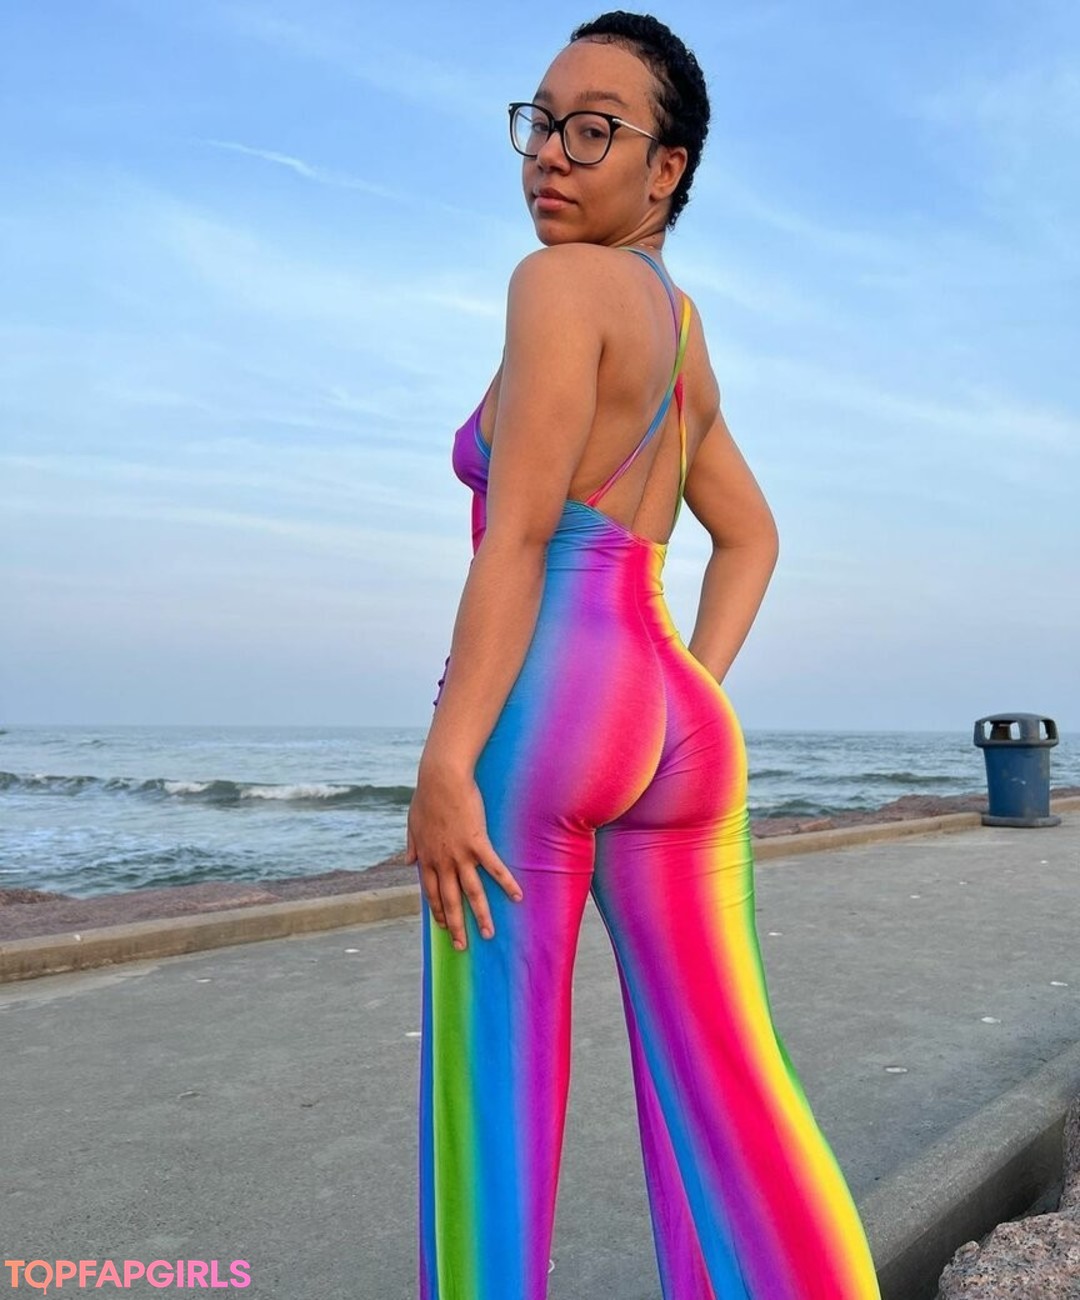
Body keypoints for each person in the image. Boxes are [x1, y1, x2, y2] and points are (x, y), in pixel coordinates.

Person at [405, 11, 882, 1298]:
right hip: (672, 713)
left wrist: (446, 761)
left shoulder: (554, 284)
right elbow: (752, 536)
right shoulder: (680, 331)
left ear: (666, 168)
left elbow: (518, 538)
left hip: (548, 705)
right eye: (540, 121)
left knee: (493, 1096)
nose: (550, 154)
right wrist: (687, 691)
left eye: (593, 129)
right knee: (736, 1089)